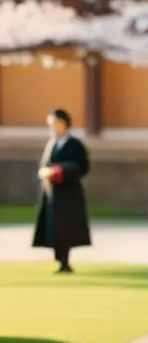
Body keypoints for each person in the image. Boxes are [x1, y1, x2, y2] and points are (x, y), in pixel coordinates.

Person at [32, 108, 91, 274]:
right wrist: (44, 173)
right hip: (52, 193)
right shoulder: (51, 144)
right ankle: (59, 258)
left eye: (56, 123)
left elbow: (82, 167)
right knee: (53, 228)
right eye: (50, 124)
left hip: (68, 194)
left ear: (65, 124)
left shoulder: (74, 145)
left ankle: (65, 261)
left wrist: (60, 171)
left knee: (66, 228)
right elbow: (45, 164)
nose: (53, 128)